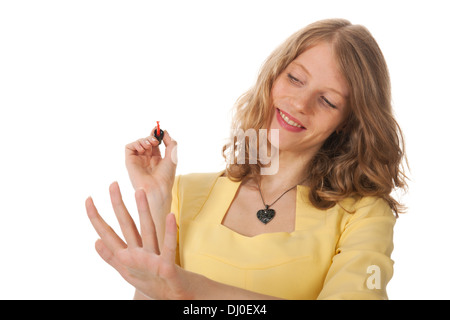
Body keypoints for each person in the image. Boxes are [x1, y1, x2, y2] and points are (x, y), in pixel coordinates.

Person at [85, 18, 408, 300]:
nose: (298, 103)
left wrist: (194, 291)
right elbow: (156, 293)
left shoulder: (363, 215)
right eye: (294, 79)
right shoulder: (183, 192)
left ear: (349, 123)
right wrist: (157, 204)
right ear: (272, 77)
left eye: (327, 100)